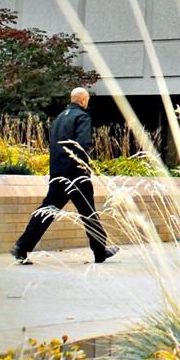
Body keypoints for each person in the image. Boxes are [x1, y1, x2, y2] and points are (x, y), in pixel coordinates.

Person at [10, 87, 119, 264]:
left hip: (58, 173)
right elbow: (82, 144)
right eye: (87, 100)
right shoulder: (82, 117)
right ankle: (99, 252)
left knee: (46, 212)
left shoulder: (60, 118)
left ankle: (21, 247)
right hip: (76, 174)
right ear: (83, 100)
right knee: (88, 213)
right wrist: (83, 167)